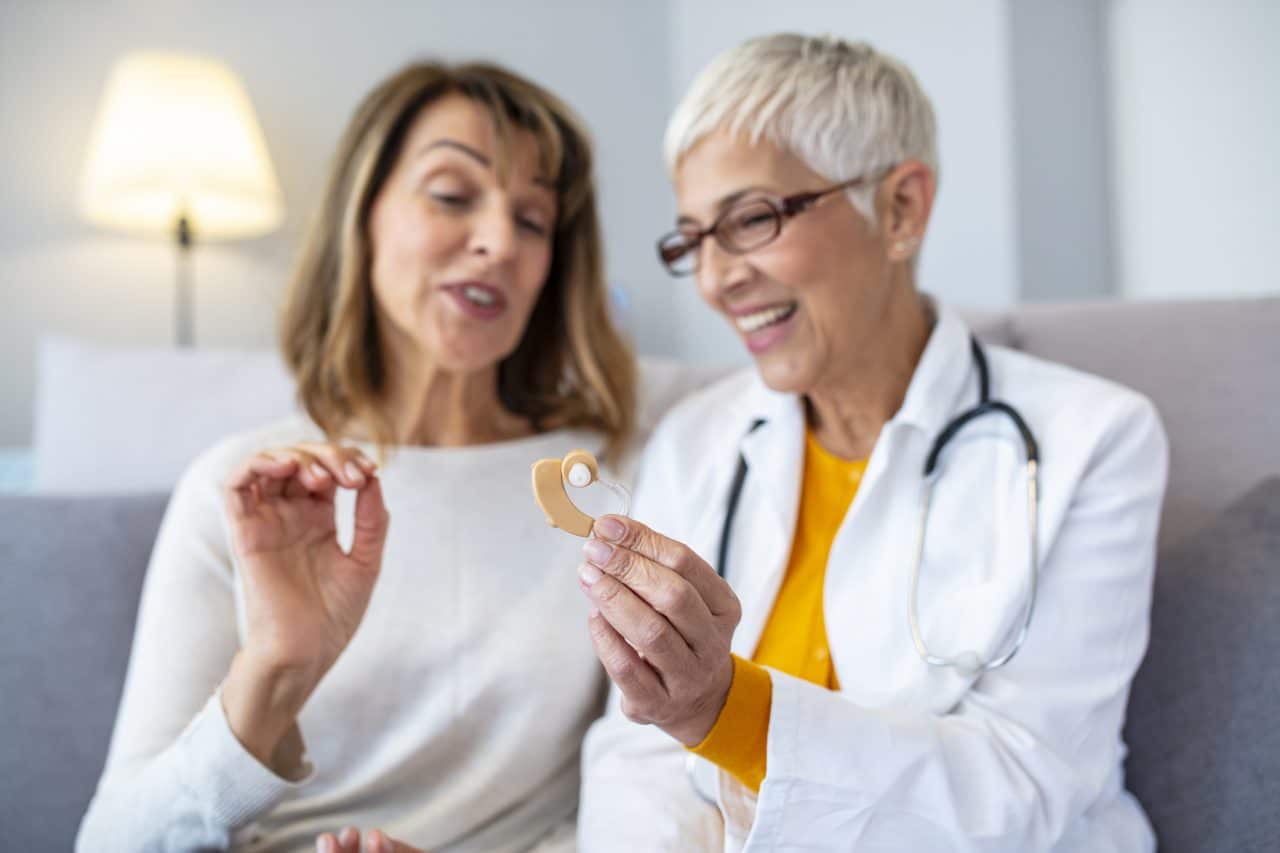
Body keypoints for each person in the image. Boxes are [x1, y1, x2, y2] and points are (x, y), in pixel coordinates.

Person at [576, 34, 1168, 852]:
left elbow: (1029, 785)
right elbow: (635, 753)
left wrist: (719, 709)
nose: (715, 279)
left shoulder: (1093, 441)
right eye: (693, 240)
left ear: (900, 209)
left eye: (751, 219)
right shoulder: (696, 440)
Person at [77, 60, 635, 852]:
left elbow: (643, 797)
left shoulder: (604, 484)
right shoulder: (245, 488)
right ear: (363, 215)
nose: (498, 242)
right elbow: (109, 841)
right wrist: (277, 666)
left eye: (535, 220)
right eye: (452, 194)